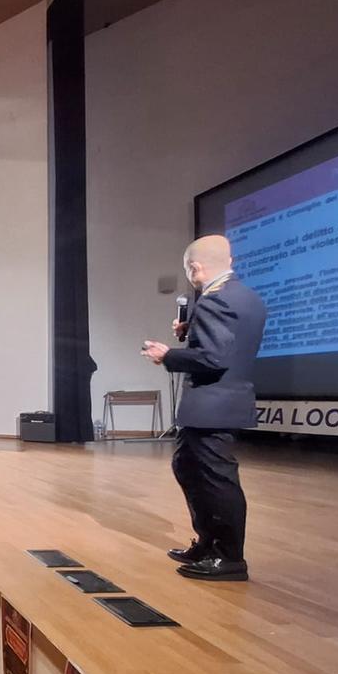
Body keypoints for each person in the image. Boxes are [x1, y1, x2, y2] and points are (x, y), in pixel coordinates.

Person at [140, 234, 267, 582]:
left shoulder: (214, 301)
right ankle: (208, 542)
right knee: (187, 466)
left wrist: (168, 355)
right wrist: (191, 329)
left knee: (216, 480)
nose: (190, 277)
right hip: (220, 403)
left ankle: (229, 557)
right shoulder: (247, 297)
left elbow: (213, 358)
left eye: (189, 271)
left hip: (213, 404)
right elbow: (229, 345)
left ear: (195, 267)